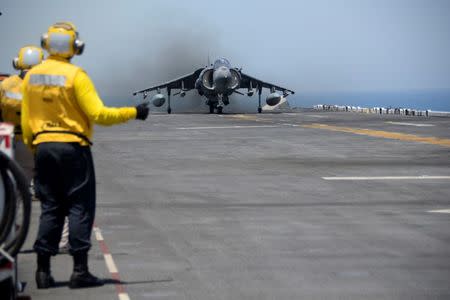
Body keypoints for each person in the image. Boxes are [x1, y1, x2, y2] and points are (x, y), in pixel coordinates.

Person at [21, 21, 150, 289]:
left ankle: (42, 271)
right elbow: (99, 114)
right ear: (75, 46)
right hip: (73, 150)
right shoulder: (75, 75)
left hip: (43, 149)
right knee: (79, 209)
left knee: (50, 208)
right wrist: (134, 113)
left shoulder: (31, 77)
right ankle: (80, 272)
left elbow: (26, 121)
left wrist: (36, 148)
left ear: (46, 43)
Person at [0, 46, 43, 180]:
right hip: (36, 139)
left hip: (8, 136)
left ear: (17, 62)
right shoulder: (46, 86)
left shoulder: (5, 84)